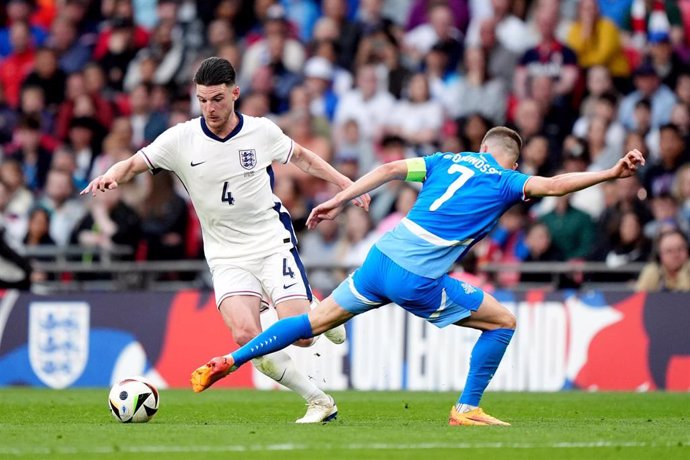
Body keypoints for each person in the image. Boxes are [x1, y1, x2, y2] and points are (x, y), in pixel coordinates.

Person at [191, 127, 645, 426]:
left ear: (482, 148)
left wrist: (339, 199)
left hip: (378, 260)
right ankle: (466, 407)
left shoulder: (446, 160)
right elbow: (555, 184)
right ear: (509, 158)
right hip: (417, 277)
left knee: (313, 321)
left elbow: (389, 170)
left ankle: (234, 359)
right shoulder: (508, 180)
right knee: (502, 321)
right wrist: (611, 172)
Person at [81, 57, 370, 424]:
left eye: (217, 99)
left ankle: (316, 306)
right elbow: (135, 162)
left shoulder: (261, 132)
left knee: (303, 337)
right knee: (245, 335)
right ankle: (318, 401)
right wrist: (110, 174)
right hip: (225, 254)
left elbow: (303, 159)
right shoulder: (181, 139)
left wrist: (346, 185)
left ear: (234, 94)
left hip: (270, 242)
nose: (209, 108)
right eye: (202, 100)